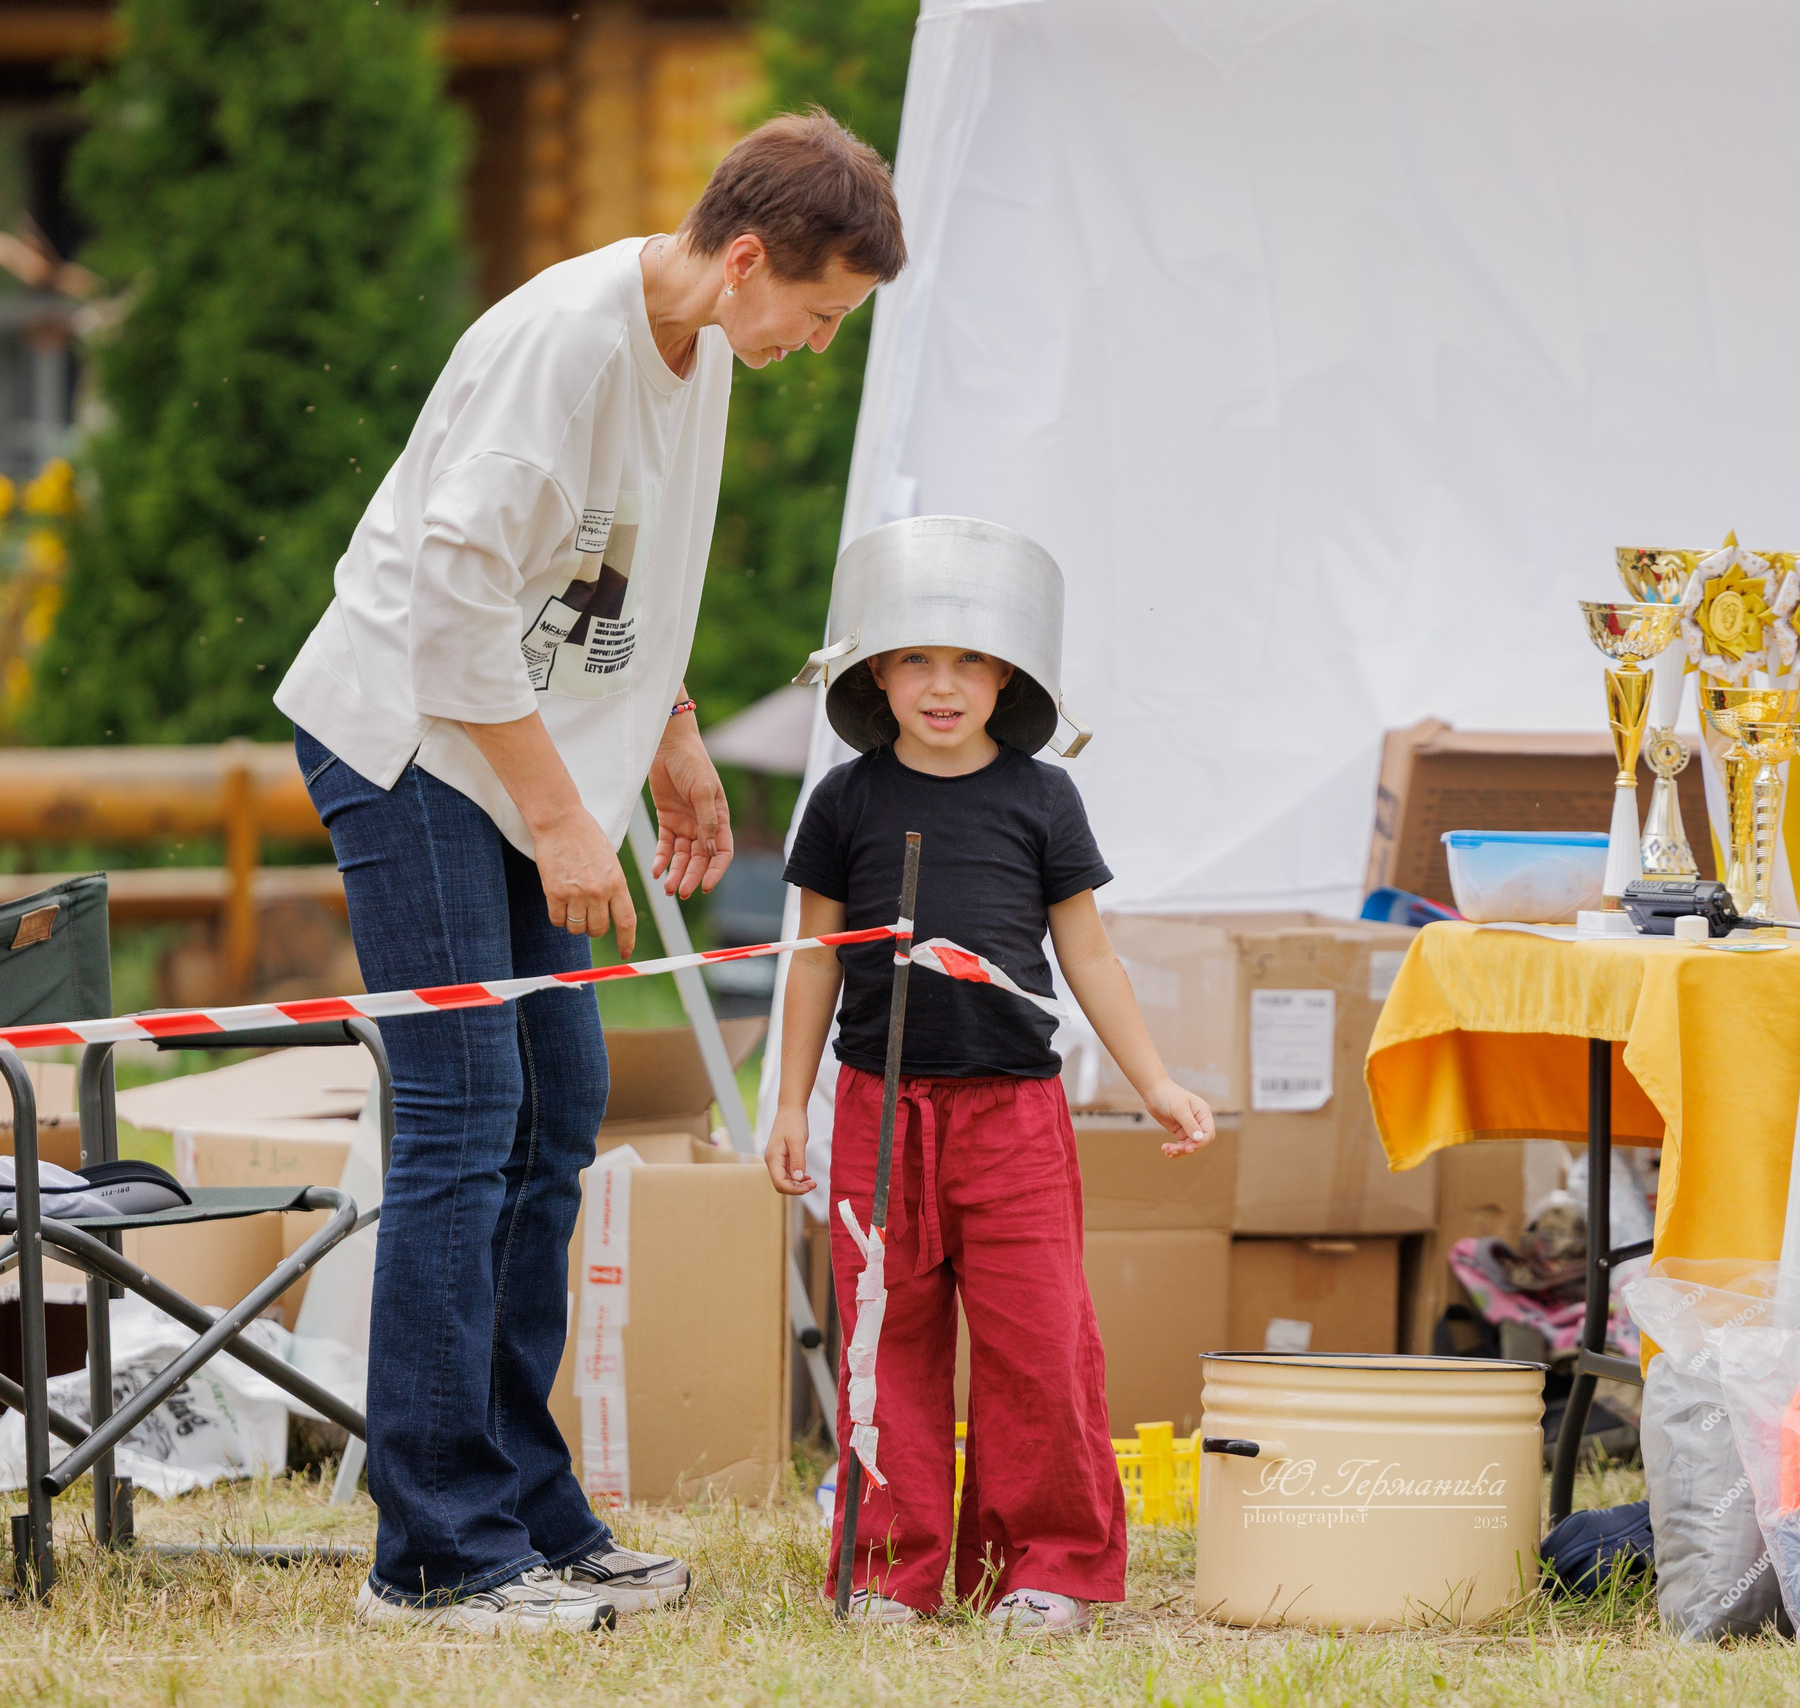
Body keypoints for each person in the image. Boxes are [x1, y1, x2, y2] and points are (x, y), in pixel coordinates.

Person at [274, 110, 905, 1635]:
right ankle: (430, 1554)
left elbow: (612, 571)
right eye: (820, 313)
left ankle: (523, 1504)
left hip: (523, 758)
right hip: (412, 750)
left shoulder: (703, 353)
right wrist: (568, 820)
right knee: (464, 1120)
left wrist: (672, 730)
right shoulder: (564, 346)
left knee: (555, 1113)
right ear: (748, 260)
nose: (819, 345)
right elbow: (448, 612)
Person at [766, 638, 1217, 1635]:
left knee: (1039, 1345)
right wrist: (792, 1102)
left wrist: (1155, 1080)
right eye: (915, 661)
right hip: (880, 1115)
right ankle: (893, 1567)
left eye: (969, 662)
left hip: (1014, 1119)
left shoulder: (1043, 798)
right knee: (887, 1343)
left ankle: (1047, 1565)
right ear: (873, 677)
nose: (940, 685)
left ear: (1006, 680)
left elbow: (1089, 951)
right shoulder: (844, 800)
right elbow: (812, 961)